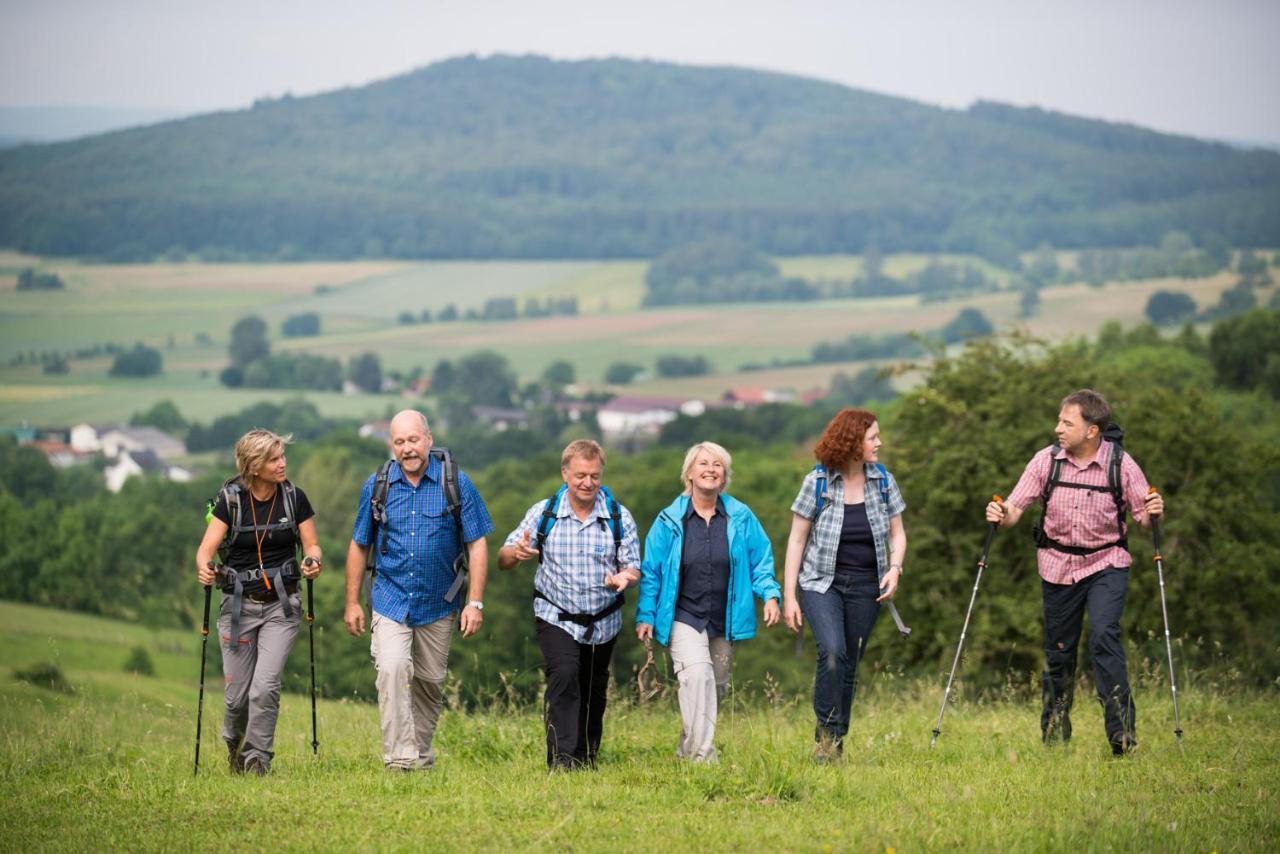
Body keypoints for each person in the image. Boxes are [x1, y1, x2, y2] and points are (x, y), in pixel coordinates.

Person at [985, 389, 1164, 756]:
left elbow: (1143, 517)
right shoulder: (1045, 462)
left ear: (1092, 430)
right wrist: (1000, 515)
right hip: (1057, 565)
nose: (1058, 429)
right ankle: (1054, 734)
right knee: (1060, 653)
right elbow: (1015, 509)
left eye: (1067, 423)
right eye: (1059, 421)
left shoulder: (1121, 464)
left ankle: (1122, 736)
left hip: (1106, 563)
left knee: (1104, 635)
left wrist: (1155, 511)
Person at [343, 410, 493, 771]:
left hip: (439, 601)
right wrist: (351, 602)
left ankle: (420, 756)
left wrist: (475, 602)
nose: (407, 448)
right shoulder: (377, 485)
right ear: (391, 446)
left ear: (428, 439)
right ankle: (400, 759)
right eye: (399, 442)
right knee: (392, 668)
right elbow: (359, 544)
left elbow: (477, 544)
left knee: (429, 682)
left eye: (413, 440)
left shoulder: (456, 483)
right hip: (391, 597)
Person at [498, 439, 641, 770]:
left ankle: (586, 756)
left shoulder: (619, 517)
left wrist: (625, 578)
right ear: (565, 473)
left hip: (603, 619)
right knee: (564, 676)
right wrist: (515, 555)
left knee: (593, 689)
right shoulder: (544, 513)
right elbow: (504, 556)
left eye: (594, 475)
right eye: (580, 475)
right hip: (555, 614)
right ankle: (562, 760)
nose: (588, 483)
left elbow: (633, 566)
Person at [635, 441, 781, 762]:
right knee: (696, 676)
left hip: (725, 617)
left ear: (724, 476)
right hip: (684, 614)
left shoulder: (741, 517)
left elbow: (761, 561)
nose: (710, 470)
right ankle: (703, 758)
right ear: (689, 473)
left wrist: (770, 595)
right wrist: (645, 614)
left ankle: (687, 748)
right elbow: (652, 573)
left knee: (716, 686)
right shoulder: (668, 521)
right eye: (703, 464)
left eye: (717, 465)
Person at [195, 428, 322, 776]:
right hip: (238, 607)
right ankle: (234, 747)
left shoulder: (295, 499)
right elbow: (206, 551)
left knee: (264, 688)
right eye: (274, 459)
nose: (282, 464)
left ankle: (257, 760)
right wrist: (205, 570)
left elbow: (312, 545)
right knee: (236, 698)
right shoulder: (230, 500)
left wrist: (312, 561)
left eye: (282, 456)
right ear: (253, 465)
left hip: (283, 607)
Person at [782, 408, 907, 761]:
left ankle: (835, 743)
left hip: (868, 585)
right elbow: (796, 540)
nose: (879, 443)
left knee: (850, 664)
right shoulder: (818, 482)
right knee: (833, 653)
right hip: (821, 583)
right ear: (853, 442)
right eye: (873, 438)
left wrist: (895, 568)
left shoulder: (883, 481)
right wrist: (790, 595)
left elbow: (898, 533)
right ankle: (824, 737)